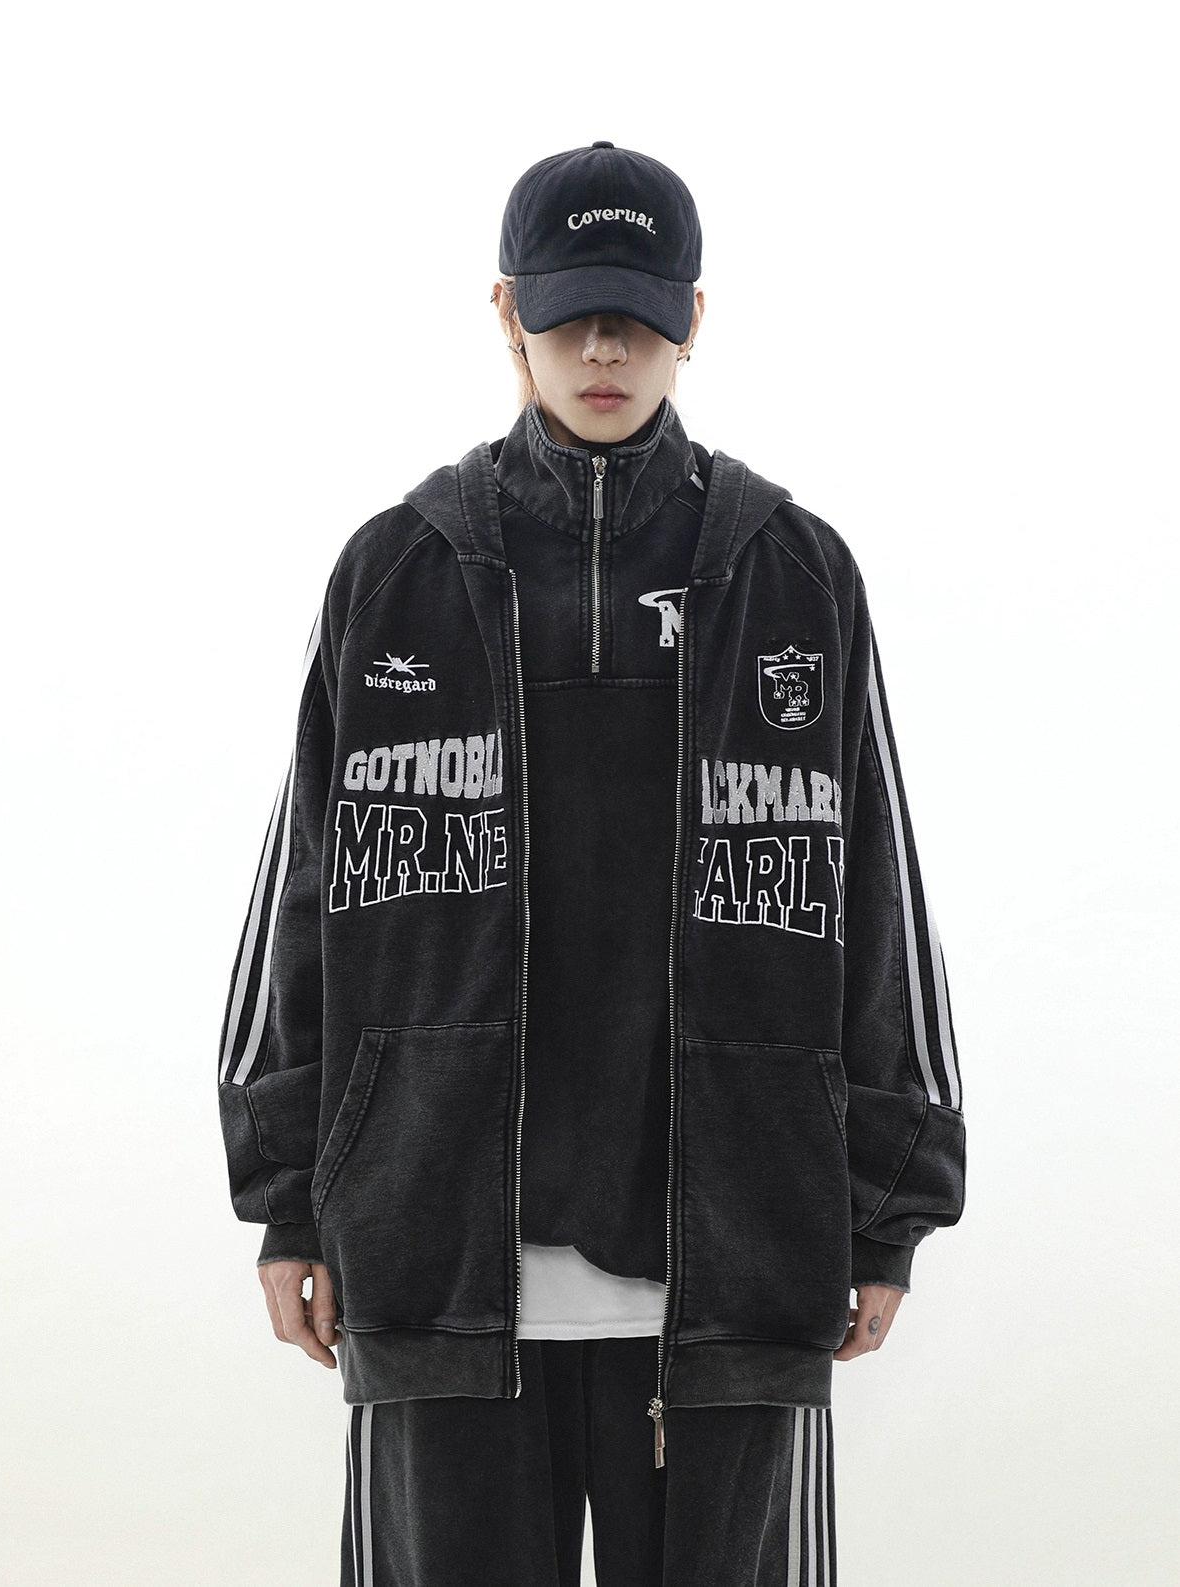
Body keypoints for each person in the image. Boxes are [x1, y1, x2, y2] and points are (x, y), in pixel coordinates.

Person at [216, 141, 966, 1587]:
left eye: (636, 315)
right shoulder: (398, 568)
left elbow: (880, 900)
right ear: (507, 311)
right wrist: (287, 1199)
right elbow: (299, 905)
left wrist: (887, 1211)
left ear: (696, 319)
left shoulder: (793, 570)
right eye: (571, 315)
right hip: (436, 1254)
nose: (605, 349)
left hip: (733, 1266)